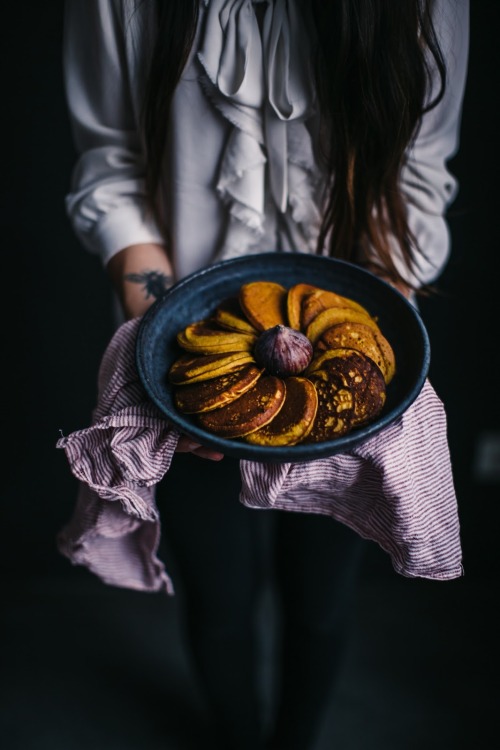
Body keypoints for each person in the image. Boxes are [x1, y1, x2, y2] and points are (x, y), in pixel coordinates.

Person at [61, 1, 469, 748]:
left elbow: (419, 177)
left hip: (350, 372)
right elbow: (113, 168)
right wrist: (158, 352)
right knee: (219, 598)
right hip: (184, 353)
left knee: (321, 599)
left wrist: (360, 353)